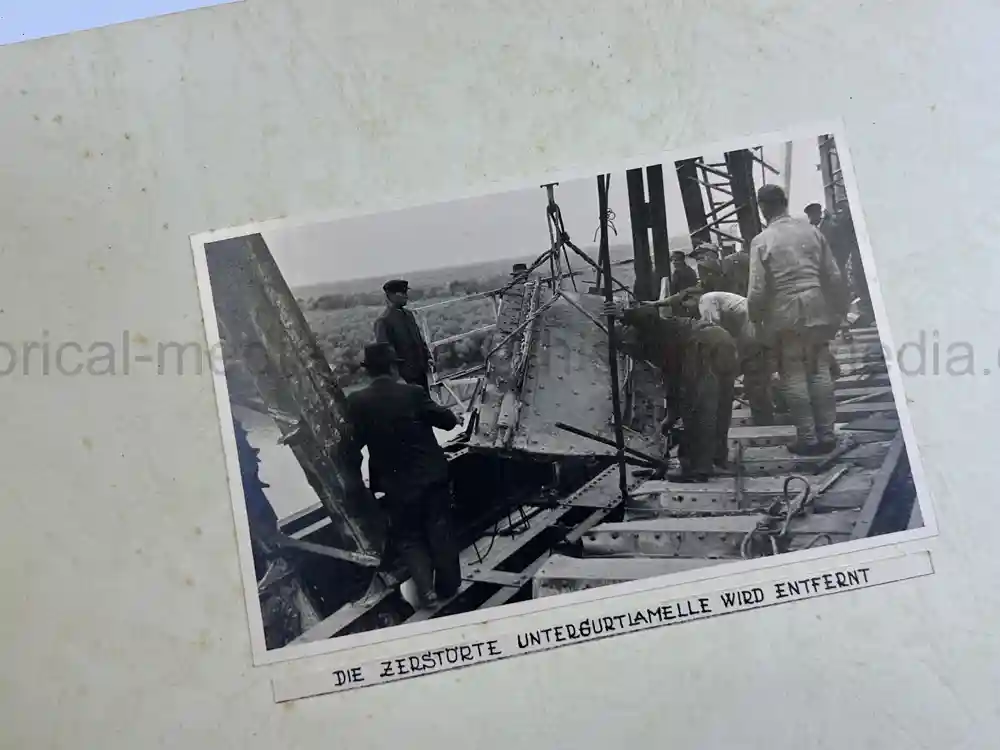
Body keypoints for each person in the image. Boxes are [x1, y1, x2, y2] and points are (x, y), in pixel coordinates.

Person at [343, 342, 461, 608]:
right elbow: (447, 422)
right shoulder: (413, 393)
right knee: (439, 529)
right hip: (431, 476)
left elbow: (352, 446)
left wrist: (357, 482)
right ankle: (448, 586)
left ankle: (426, 592)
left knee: (409, 538)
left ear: (368, 371)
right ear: (393, 367)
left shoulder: (357, 402)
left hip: (395, 484)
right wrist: (449, 414)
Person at [748, 185, 849, 455]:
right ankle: (827, 435)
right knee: (819, 370)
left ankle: (808, 438)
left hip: (786, 314)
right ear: (784, 202)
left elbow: (757, 291)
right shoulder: (812, 231)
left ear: (763, 207)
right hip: (817, 308)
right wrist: (839, 311)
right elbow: (834, 275)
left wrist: (756, 321)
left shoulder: (762, 240)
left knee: (793, 374)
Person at [606, 304, 739, 482]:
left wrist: (625, 314)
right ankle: (718, 460)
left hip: (701, 345)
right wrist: (671, 416)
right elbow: (674, 384)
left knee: (696, 409)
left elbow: (650, 313)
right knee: (720, 406)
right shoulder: (660, 344)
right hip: (722, 341)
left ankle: (695, 468)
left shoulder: (648, 333)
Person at [697, 291, 774, 426]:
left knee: (753, 375)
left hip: (750, 329)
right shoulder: (722, 299)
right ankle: (764, 415)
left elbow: (714, 328)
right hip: (757, 326)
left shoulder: (705, 301)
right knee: (758, 376)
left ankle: (762, 419)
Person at [374, 279, 434, 393]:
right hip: (404, 378)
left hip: (420, 372)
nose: (406, 296)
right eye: (402, 293)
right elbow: (386, 354)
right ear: (391, 296)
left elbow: (418, 339)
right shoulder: (383, 321)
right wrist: (397, 378)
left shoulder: (409, 315)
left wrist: (428, 357)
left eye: (406, 292)